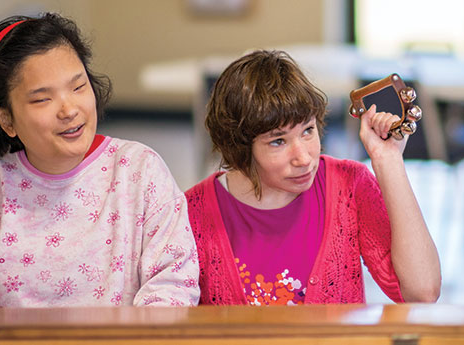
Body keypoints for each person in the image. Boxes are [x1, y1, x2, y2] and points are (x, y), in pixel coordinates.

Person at [0, 13, 198, 308]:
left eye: (78, 87)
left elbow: (173, 283)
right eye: (42, 99)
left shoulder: (140, 171)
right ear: (6, 118)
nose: (69, 109)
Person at [186, 50, 440, 305]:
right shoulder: (190, 214)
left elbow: (422, 292)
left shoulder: (349, 186)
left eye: (308, 130)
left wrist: (388, 160)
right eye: (278, 141)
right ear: (239, 147)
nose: (304, 158)